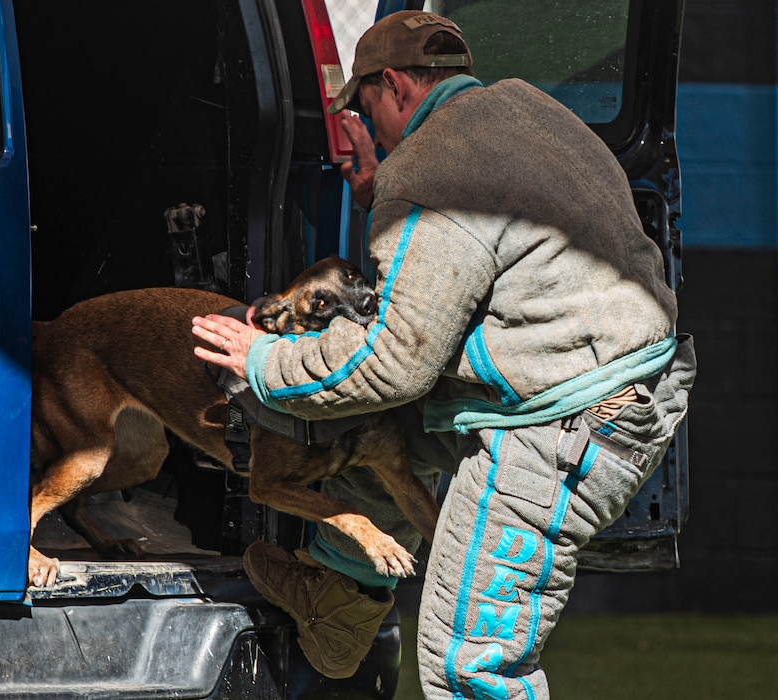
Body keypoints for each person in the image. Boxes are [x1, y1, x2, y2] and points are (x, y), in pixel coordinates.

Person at [192, 10, 696, 698]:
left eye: (367, 111)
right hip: (627, 389)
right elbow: (482, 226)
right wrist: (383, 197)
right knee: (380, 437)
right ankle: (335, 604)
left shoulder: (429, 174)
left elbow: (392, 363)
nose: (368, 130)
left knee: (470, 663)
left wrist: (261, 364)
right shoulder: (526, 109)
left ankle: (339, 599)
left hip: (560, 430)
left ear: (396, 86)